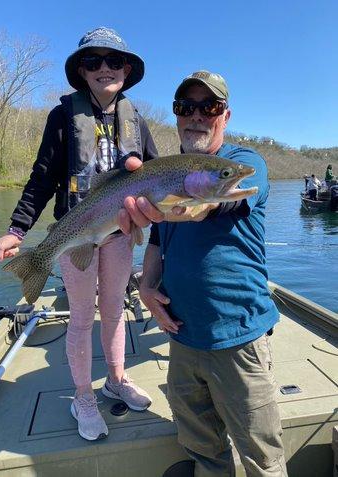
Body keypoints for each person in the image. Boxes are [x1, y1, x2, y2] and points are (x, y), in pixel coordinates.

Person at [119, 71, 287, 476]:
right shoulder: (160, 175)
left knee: (263, 462)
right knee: (204, 455)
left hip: (238, 337)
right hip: (181, 335)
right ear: (177, 116)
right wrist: (145, 284)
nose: (196, 116)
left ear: (224, 116)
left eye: (208, 107)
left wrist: (190, 200)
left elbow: (212, 204)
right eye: (185, 107)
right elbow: (157, 241)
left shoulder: (242, 166)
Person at [0, 27, 157, 441]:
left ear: (127, 69)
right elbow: (41, 179)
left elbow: (157, 173)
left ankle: (116, 379)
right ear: (81, 72)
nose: (105, 68)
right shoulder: (62, 115)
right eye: (93, 62)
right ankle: (83, 396)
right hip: (75, 231)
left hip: (120, 234)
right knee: (82, 318)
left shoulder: (136, 119)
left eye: (114, 61)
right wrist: (17, 229)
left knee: (116, 310)